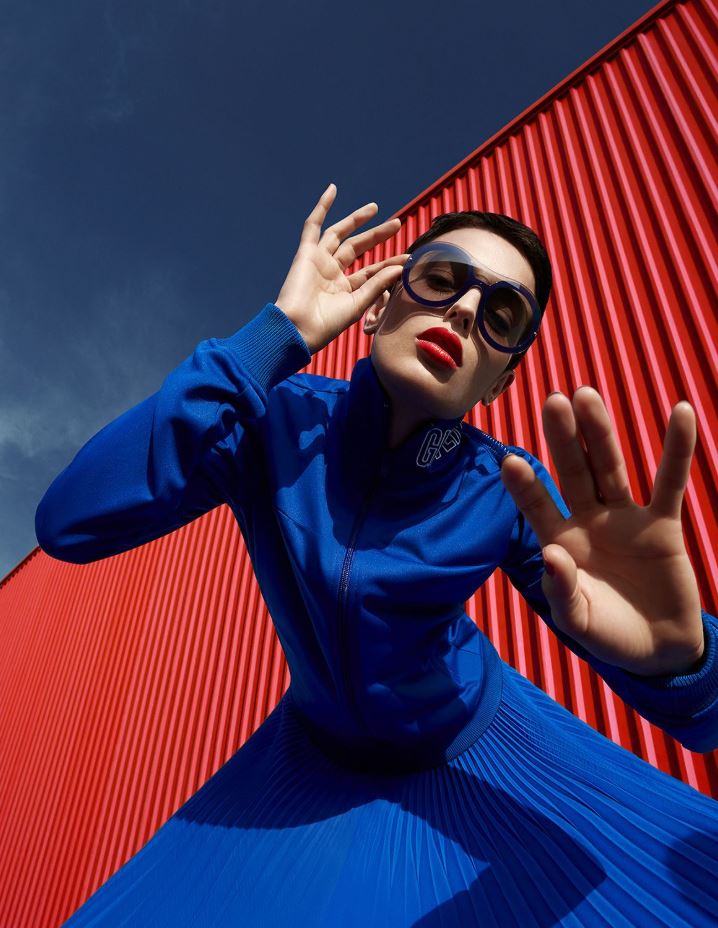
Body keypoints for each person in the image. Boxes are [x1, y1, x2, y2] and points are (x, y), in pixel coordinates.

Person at [37, 183, 717, 927]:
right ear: (379, 305)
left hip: (490, 762)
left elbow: (703, 722)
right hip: (299, 776)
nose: (465, 309)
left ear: (501, 379)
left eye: (502, 316)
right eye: (441, 279)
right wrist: (272, 338)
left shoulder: (509, 487)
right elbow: (71, 522)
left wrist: (683, 662)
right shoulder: (273, 423)